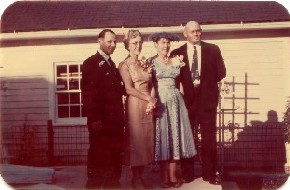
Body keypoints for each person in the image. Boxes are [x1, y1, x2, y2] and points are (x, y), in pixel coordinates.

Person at [170, 20, 226, 185]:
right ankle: (187, 174)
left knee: (209, 139)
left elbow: (221, 72)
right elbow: (174, 78)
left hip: (207, 101)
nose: (196, 34)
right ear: (185, 34)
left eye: (198, 31)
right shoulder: (177, 53)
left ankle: (210, 174)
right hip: (187, 103)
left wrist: (204, 83)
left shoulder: (213, 50)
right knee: (187, 138)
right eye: (193, 31)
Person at [149, 32, 197, 188]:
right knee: (163, 138)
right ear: (156, 44)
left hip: (176, 101)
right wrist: (152, 103)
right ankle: (164, 178)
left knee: (175, 137)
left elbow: (181, 83)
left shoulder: (176, 60)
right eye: (163, 42)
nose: (166, 45)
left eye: (168, 42)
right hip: (161, 101)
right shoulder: (151, 62)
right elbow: (150, 86)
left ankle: (173, 175)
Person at [81, 29, 125, 189]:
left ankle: (113, 184)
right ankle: (93, 186)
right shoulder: (91, 63)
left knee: (114, 155)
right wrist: (94, 119)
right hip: (100, 121)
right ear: (100, 41)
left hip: (115, 122)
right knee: (98, 156)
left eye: (115, 42)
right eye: (109, 41)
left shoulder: (112, 64)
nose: (113, 45)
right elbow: (87, 94)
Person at [118, 29, 157, 189]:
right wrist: (148, 98)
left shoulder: (145, 62)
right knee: (136, 141)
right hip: (135, 103)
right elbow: (128, 89)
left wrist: (152, 101)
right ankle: (136, 179)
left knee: (146, 141)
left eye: (140, 42)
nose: (138, 45)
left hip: (148, 105)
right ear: (127, 45)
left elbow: (152, 83)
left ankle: (141, 177)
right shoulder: (124, 64)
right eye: (134, 43)